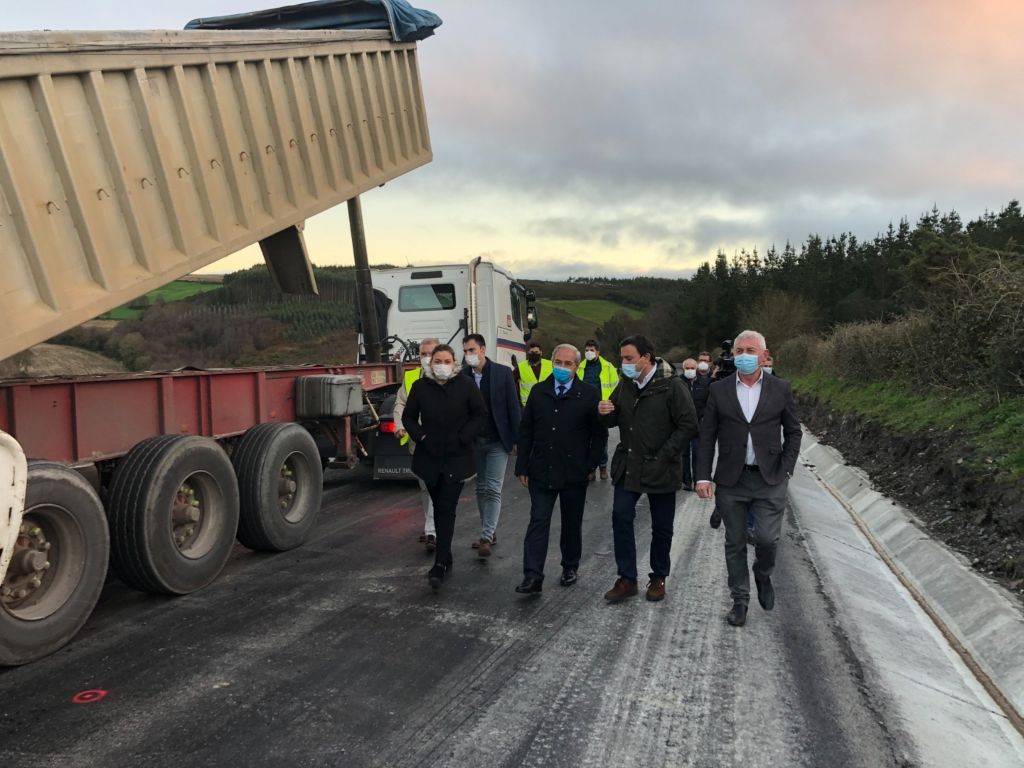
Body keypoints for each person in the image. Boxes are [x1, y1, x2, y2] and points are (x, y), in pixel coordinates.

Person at [696, 329, 801, 627]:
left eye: (750, 351)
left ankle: (763, 573)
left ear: (764, 355)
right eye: (739, 351)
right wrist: (703, 476)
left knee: (767, 540)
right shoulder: (720, 390)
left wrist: (787, 467)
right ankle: (739, 599)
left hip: (770, 478)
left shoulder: (781, 389)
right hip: (732, 479)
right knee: (735, 541)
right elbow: (707, 436)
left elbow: (794, 431)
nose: (743, 356)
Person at [598, 335, 697, 603]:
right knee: (620, 517)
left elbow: (688, 425)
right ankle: (627, 578)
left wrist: (664, 455)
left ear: (647, 357)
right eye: (622, 358)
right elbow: (613, 418)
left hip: (661, 468)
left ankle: (658, 577)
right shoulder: (626, 384)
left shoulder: (672, 386)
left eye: (629, 358)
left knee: (661, 527)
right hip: (629, 465)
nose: (624, 363)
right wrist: (605, 412)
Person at [514, 344, 607, 594]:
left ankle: (570, 566)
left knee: (571, 523)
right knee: (538, 521)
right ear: (551, 362)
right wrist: (522, 464)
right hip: (541, 468)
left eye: (568, 364)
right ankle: (533, 575)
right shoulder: (538, 391)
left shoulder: (588, 394)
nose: (562, 368)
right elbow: (526, 431)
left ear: (577, 367)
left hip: (574, 471)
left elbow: (599, 435)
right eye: (558, 362)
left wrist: (590, 463)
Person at [403, 344, 487, 591]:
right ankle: (446, 552)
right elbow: (408, 417)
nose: (442, 364)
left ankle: (439, 564)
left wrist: (464, 437)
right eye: (437, 360)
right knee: (438, 503)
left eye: (447, 360)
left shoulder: (466, 386)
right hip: (429, 456)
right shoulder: (420, 387)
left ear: (454, 363)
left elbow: (480, 415)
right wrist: (422, 437)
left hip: (457, 457)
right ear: (430, 364)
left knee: (446, 508)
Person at [462, 334, 520, 556]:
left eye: (472, 350)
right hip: (475, 443)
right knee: (481, 487)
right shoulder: (463, 376)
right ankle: (490, 529)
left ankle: (486, 536)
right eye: (466, 351)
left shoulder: (502, 373)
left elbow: (513, 408)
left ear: (483, 349)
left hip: (497, 440)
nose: (469, 355)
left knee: (493, 488)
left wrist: (517, 440)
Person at [394, 337, 440, 552]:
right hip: (417, 439)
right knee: (424, 486)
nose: (426, 358)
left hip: (439, 441)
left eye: (430, 353)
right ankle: (431, 526)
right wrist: (399, 425)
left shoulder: (446, 377)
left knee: (436, 484)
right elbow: (401, 402)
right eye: (422, 354)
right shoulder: (411, 377)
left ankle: (432, 530)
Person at [577, 339, 617, 480]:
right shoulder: (580, 367)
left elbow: (615, 387)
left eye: (592, 350)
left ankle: (603, 467)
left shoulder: (608, 367)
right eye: (587, 350)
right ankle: (591, 468)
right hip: (585, 408)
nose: (589, 352)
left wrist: (611, 407)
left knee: (601, 439)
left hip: (603, 408)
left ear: (598, 352)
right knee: (586, 439)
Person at [678, 358, 699, 491]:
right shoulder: (678, 383)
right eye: (688, 368)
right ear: (683, 368)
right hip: (682, 424)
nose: (690, 371)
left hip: (698, 424)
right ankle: (686, 480)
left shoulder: (702, 382)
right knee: (684, 454)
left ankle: (698, 480)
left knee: (697, 453)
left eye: (692, 368)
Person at [514, 341, 553, 406]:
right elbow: (512, 381)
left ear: (541, 353)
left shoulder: (550, 365)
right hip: (528, 405)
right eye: (532, 352)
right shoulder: (521, 367)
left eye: (536, 352)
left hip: (547, 403)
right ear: (528, 353)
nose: (534, 354)